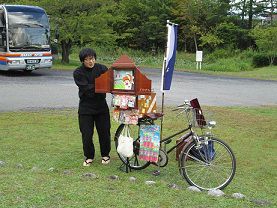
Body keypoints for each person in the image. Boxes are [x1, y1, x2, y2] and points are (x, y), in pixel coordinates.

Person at [73, 48, 111, 166]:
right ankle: (89, 156)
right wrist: (100, 85)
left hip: (101, 106)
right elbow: (86, 88)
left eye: (92, 59)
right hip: (86, 107)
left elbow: (111, 82)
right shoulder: (78, 72)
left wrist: (97, 87)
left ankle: (105, 155)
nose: (90, 62)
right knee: (86, 134)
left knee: (104, 132)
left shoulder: (102, 69)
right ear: (82, 61)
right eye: (87, 59)